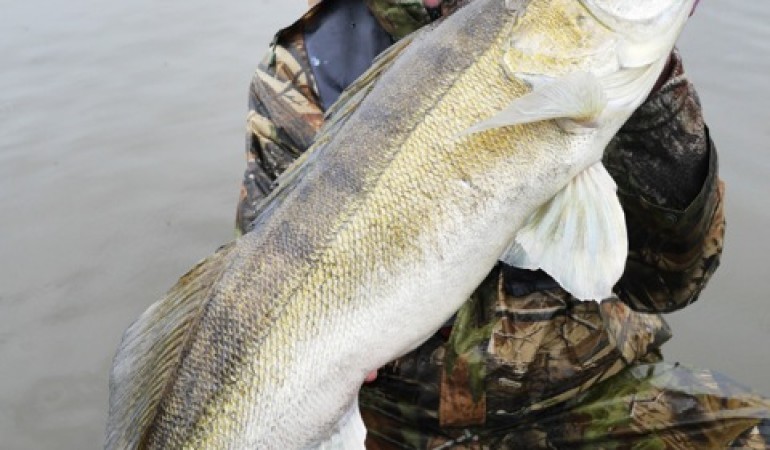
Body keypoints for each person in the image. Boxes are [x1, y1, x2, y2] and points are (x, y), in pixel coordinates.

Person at [235, 0, 770, 448]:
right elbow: (254, 301)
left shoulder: (586, 44)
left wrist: (656, 94)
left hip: (584, 397)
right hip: (387, 424)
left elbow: (673, 283)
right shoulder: (304, 64)